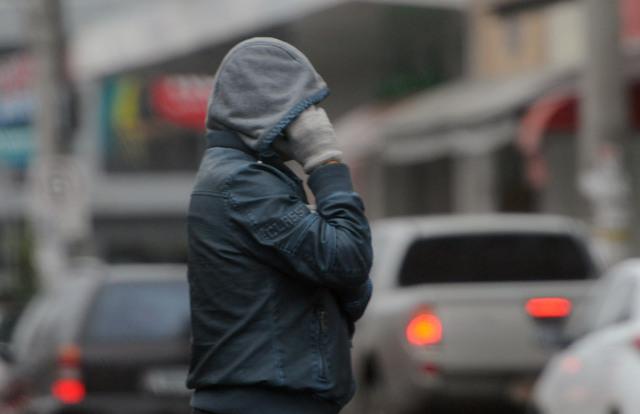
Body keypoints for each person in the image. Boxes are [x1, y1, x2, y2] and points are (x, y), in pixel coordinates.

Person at [186, 37, 374, 414]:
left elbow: (351, 286)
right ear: (267, 107)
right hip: (268, 402)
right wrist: (326, 161)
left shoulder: (254, 178)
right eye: (303, 108)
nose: (313, 119)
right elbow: (349, 260)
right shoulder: (243, 185)